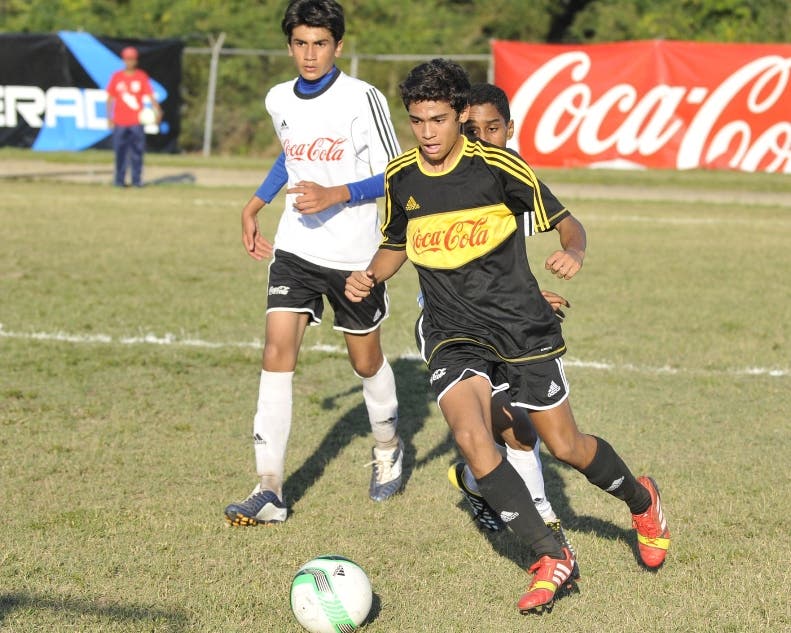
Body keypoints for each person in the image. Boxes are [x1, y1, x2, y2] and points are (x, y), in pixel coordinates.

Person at [345, 59, 670, 614]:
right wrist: (371, 273)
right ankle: (551, 556)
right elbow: (398, 241)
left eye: (439, 120)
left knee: (566, 446)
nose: (427, 133)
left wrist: (573, 251)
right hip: (452, 330)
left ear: (461, 115)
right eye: (417, 121)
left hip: (519, 326)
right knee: (472, 437)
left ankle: (642, 500)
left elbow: (567, 220)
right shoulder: (401, 177)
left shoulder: (497, 167)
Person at [224, 0, 404, 527]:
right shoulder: (278, 97)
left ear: (338, 46)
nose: (310, 54)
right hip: (295, 248)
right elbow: (290, 154)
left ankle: (389, 446)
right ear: (289, 45)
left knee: (365, 361)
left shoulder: (362, 98)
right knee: (277, 350)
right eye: (301, 43)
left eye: (320, 43)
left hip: (354, 257)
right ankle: (270, 489)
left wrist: (338, 193)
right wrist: (255, 204)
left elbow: (396, 174)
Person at [445, 82, 581, 565]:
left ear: (510, 129)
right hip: (456, 319)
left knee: (522, 428)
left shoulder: (515, 174)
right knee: (503, 425)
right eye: (471, 129)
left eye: (493, 128)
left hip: (508, 315)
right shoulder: (451, 178)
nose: (482, 138)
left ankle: (474, 481)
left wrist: (567, 254)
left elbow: (565, 223)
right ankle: (540, 515)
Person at [105, 46, 161, 187]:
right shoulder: (117, 77)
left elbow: (150, 95)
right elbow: (110, 98)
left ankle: (137, 181)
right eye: (127, 59)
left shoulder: (141, 77)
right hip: (120, 121)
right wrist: (109, 117)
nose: (129, 62)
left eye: (132, 59)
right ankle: (119, 181)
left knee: (137, 152)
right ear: (123, 60)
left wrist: (158, 110)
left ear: (135, 61)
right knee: (120, 153)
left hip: (136, 121)